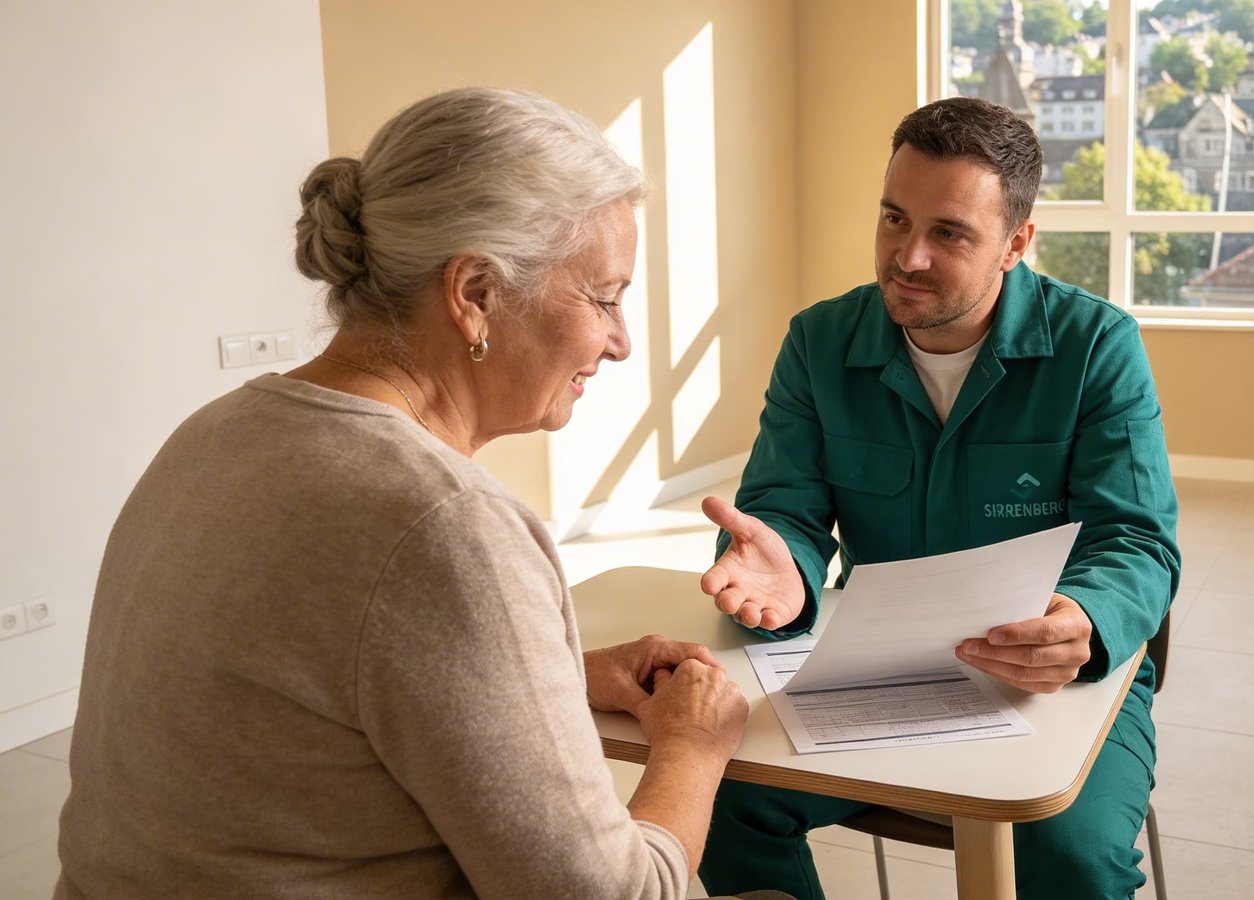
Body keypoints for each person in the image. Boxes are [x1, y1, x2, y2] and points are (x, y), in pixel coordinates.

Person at [56, 88, 787, 900]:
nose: (619, 343)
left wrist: (551, 677)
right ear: (474, 292)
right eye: (605, 298)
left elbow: (304, 693)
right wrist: (692, 745)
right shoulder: (446, 524)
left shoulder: (213, 434)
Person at [695, 97, 1181, 899]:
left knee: (1075, 862)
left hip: (1050, 679)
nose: (907, 256)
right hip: (878, 671)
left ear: (1016, 244)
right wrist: (785, 577)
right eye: (894, 218)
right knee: (715, 793)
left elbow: (1136, 539)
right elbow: (782, 513)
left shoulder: (1097, 345)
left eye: (949, 233)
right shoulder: (818, 342)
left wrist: (1086, 618)